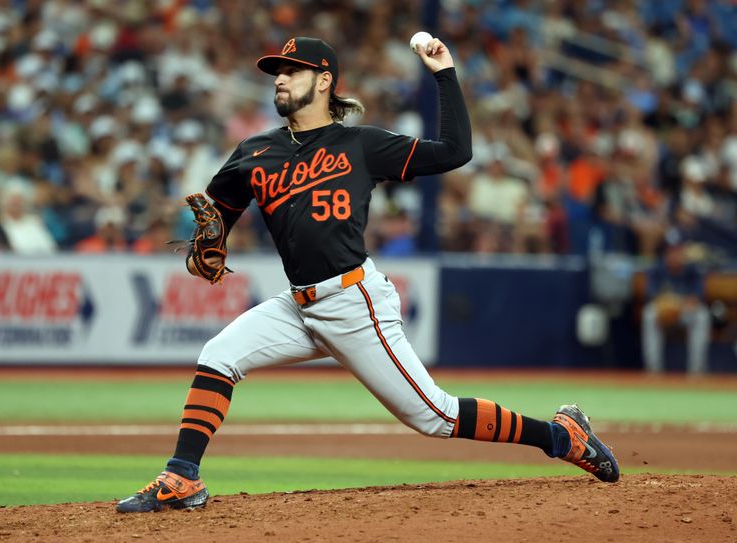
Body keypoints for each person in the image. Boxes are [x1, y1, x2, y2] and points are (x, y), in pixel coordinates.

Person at [116, 36, 619, 514]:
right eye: (276, 72)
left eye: (292, 71)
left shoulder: (360, 144)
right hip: (298, 304)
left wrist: (444, 74)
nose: (280, 79)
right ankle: (183, 477)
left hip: (353, 302)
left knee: (435, 417)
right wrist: (209, 242)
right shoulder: (253, 152)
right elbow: (216, 216)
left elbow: (454, 151)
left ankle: (562, 437)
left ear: (325, 81)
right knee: (218, 355)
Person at [641, 230, 710, 374]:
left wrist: (680, 303)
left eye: (678, 251)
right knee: (649, 314)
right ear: (665, 253)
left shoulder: (692, 270)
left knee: (702, 315)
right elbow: (651, 295)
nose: (675, 255)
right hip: (664, 313)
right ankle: (653, 371)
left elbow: (697, 297)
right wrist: (668, 303)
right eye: (671, 251)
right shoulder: (657, 269)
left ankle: (696, 372)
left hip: (686, 313)